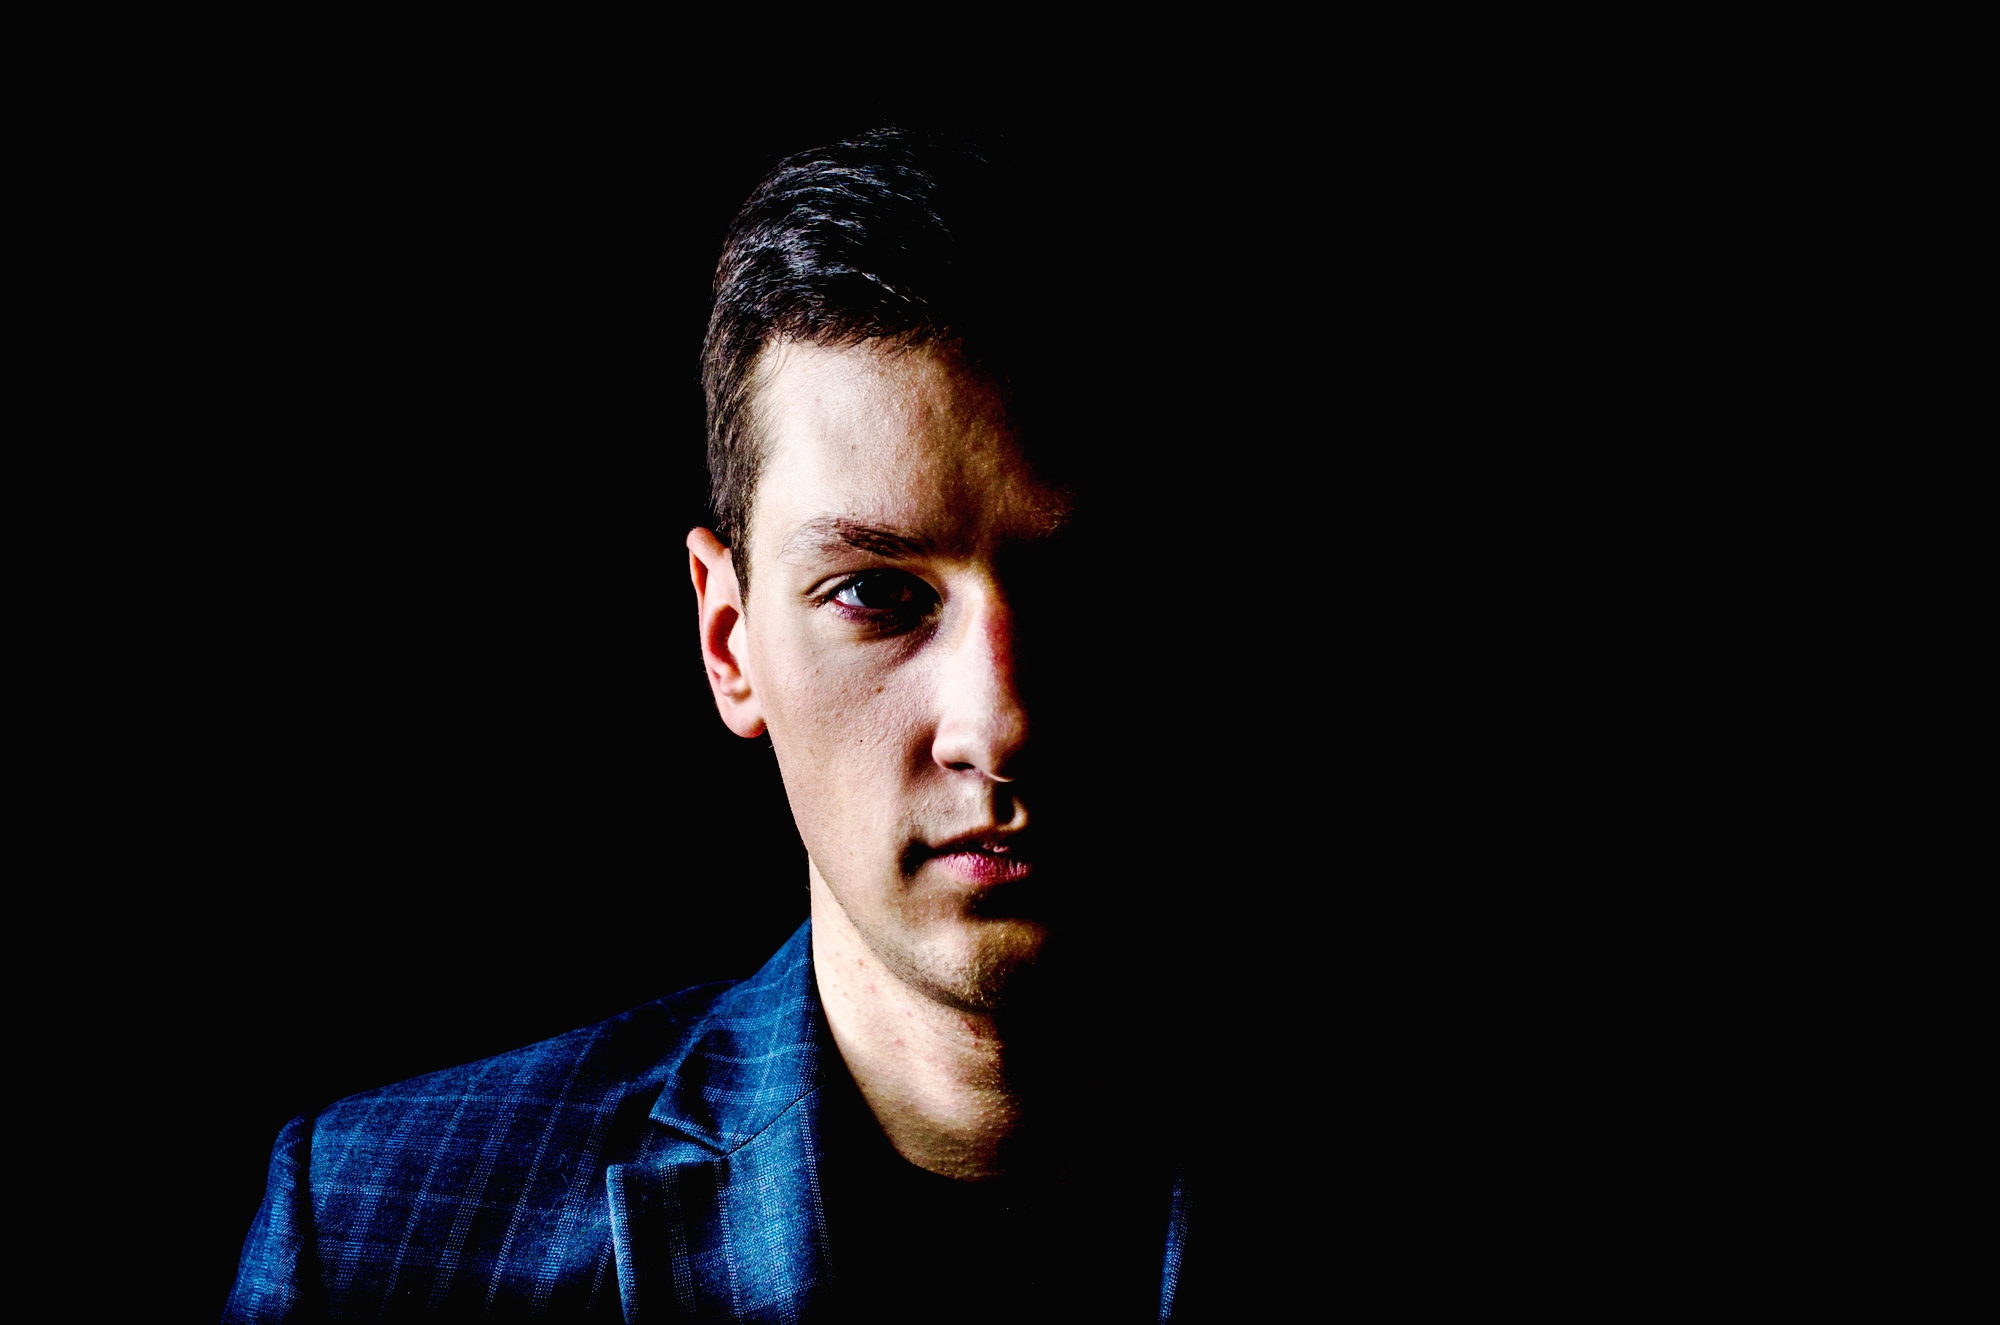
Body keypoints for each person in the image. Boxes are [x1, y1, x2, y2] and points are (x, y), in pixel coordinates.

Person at [224, 127, 1192, 1322]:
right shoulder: (382, 1241)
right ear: (729, 642)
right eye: (878, 594)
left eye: (1078, 592)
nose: (994, 723)